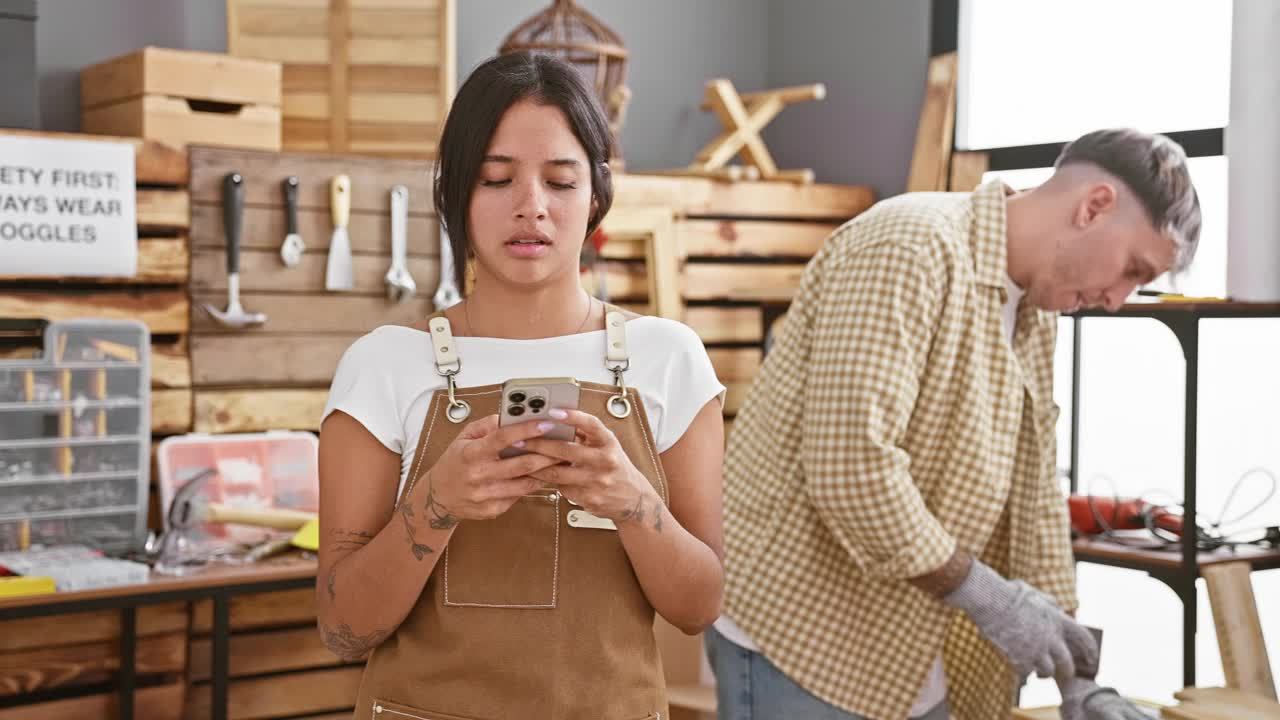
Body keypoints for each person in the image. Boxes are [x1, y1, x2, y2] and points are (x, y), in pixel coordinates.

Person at [712, 128, 1201, 720]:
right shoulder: (908, 248)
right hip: (805, 639)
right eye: (1132, 269)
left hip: (913, 651)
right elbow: (852, 469)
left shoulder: (1036, 311)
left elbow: (1034, 495)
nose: (1119, 299)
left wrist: (1076, 677)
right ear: (1093, 206)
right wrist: (990, 598)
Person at [316, 51, 726, 719]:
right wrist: (438, 502)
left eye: (561, 182)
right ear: (455, 194)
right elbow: (342, 629)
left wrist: (629, 500)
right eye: (496, 179)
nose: (531, 207)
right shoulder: (384, 366)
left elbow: (697, 608)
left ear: (597, 194)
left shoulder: (668, 360)